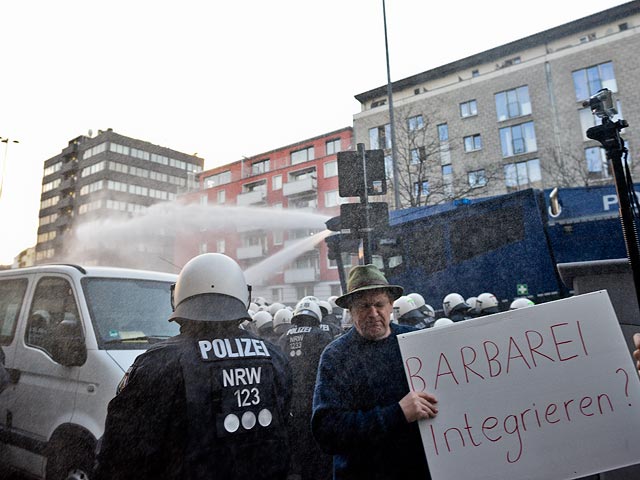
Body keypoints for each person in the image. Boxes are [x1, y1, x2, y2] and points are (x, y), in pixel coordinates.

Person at [94, 253, 292, 480]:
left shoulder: (159, 362)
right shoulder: (274, 357)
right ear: (243, 297)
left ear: (178, 298)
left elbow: (120, 453)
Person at [311, 264, 438, 480]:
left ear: (391, 305)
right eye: (363, 306)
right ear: (350, 311)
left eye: (379, 304)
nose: (373, 313)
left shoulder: (417, 342)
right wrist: (398, 413)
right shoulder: (336, 356)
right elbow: (328, 431)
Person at [278, 300, 334, 480]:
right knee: (318, 451)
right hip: (316, 402)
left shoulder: (283, 337)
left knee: (300, 448)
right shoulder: (321, 335)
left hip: (292, 405)